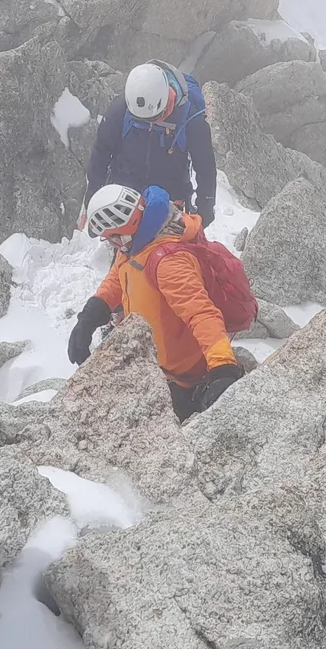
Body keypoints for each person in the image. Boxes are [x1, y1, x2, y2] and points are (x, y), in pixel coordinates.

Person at [66, 182, 244, 421]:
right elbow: (120, 274)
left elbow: (201, 313)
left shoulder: (168, 262)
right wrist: (90, 314)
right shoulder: (138, 240)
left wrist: (223, 367)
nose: (112, 245)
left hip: (184, 379)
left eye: (112, 239)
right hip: (159, 368)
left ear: (126, 229)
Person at [85, 61, 216, 228]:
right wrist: (93, 190)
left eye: (155, 118)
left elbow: (205, 167)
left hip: (169, 199)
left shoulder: (191, 118)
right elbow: (102, 149)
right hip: (125, 195)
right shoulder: (122, 107)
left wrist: (205, 206)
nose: (151, 125)